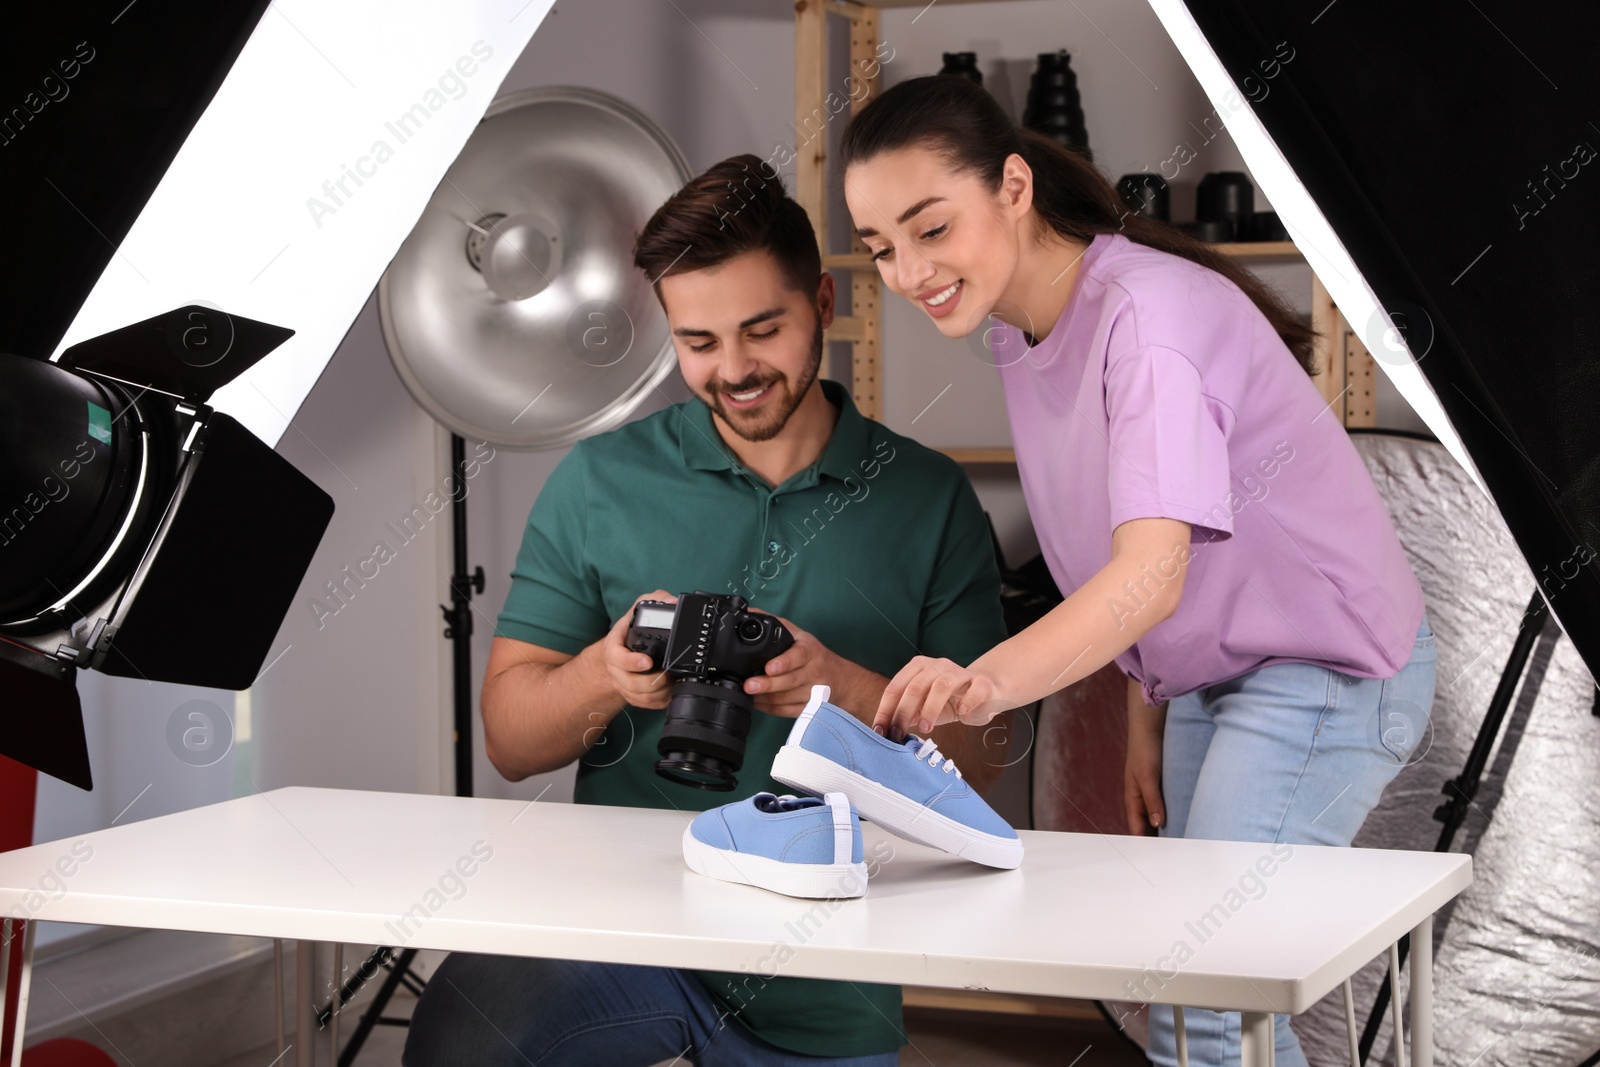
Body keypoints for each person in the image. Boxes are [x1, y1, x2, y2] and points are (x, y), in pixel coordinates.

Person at [838, 76, 1436, 1067]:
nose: (907, 271)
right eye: (880, 248)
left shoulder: (1148, 324)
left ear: (1014, 187)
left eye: (930, 228)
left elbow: (1150, 574)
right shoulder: (1018, 325)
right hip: (1219, 672)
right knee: (1181, 997)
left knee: (1213, 1002)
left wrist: (981, 681)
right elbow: (1120, 541)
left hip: (1325, 667)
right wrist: (1148, 705)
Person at [401, 153, 1009, 1067]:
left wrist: (834, 685)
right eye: (699, 342)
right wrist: (605, 674)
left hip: (824, 962)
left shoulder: (925, 498)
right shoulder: (598, 482)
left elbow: (987, 759)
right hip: (625, 926)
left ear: (823, 308)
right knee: (463, 1036)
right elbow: (512, 739)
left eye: (763, 330)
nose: (734, 370)